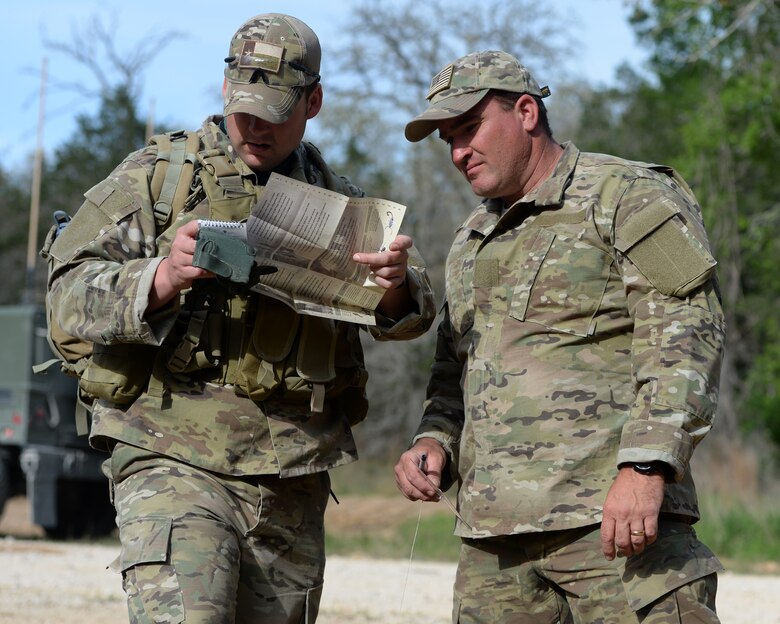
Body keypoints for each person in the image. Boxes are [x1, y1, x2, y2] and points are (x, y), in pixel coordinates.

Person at [45, 13, 435, 624]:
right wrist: (159, 278)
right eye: (244, 106)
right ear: (226, 88)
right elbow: (67, 293)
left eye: (275, 111)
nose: (254, 126)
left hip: (291, 477)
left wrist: (394, 288)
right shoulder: (159, 177)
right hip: (170, 453)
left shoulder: (337, 198)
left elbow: (416, 314)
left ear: (314, 102)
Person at [394, 50, 726, 623]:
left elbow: (686, 334)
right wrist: (435, 443)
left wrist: (646, 466)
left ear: (525, 111)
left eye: (469, 129)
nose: (457, 152)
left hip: (616, 531)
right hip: (495, 549)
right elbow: (456, 371)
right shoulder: (472, 237)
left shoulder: (625, 195)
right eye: (448, 139)